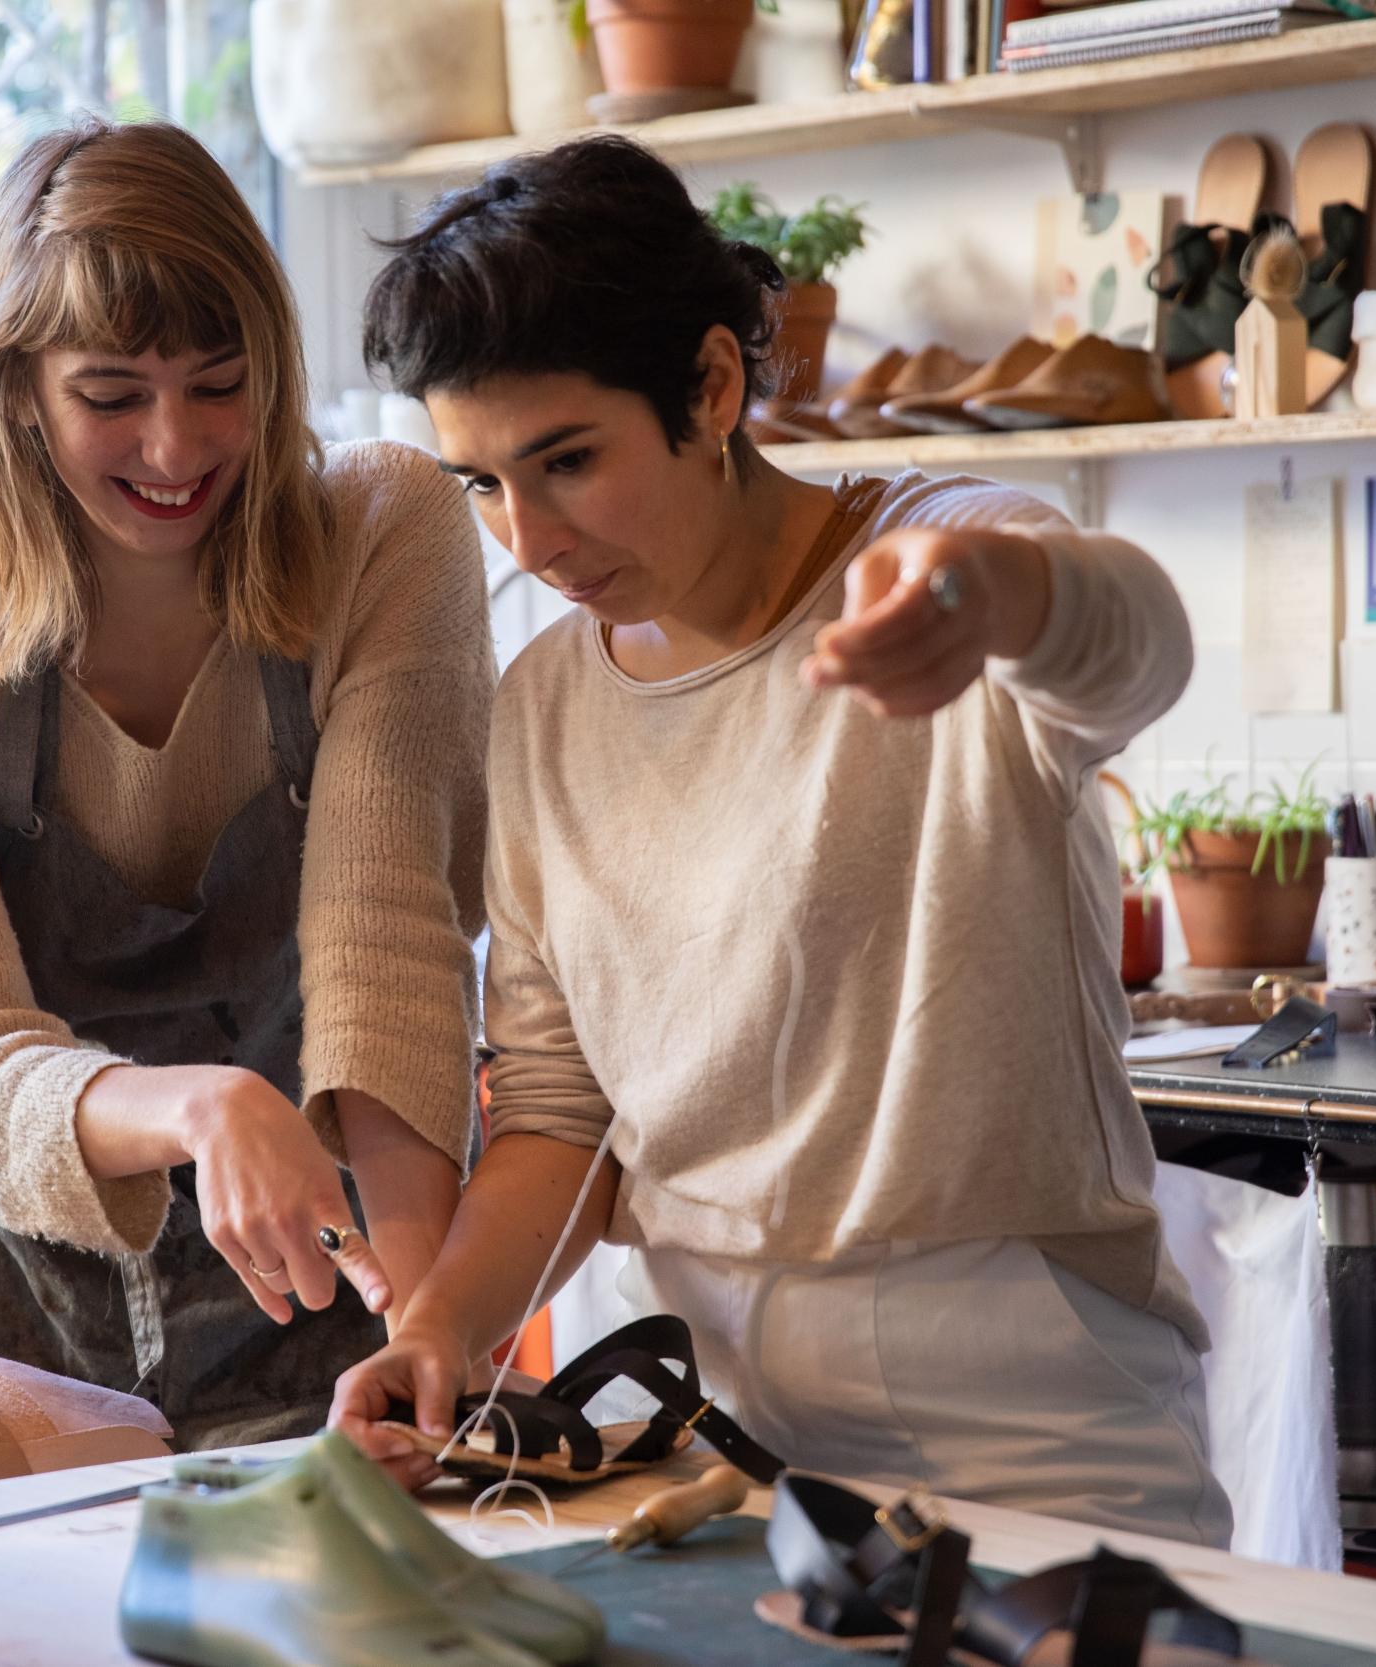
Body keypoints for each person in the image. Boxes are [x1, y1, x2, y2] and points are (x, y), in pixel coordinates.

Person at [331, 135, 1233, 1545]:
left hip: (1030, 1403)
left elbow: (1141, 645)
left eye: (567, 460)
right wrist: (441, 1325)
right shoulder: (544, 708)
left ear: (711, 385)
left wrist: (993, 599)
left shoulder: (940, 559)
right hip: (711, 1423)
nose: (531, 537)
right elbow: (563, 1112)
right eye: (483, 484)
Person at [0, 119, 493, 1448]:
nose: (176, 449)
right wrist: (203, 1103)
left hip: (337, 1342)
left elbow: (389, 949)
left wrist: (426, 1338)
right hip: (34, 1381)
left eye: (220, 384)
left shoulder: (384, 534)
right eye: (112, 396)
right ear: (18, 391)